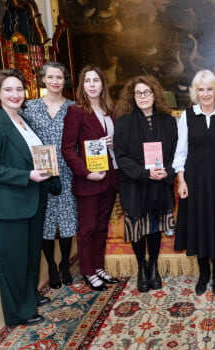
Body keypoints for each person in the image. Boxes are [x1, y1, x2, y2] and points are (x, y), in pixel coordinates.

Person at [0, 68, 61, 327]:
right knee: (13, 261)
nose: (15, 94)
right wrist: (27, 176)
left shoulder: (25, 121)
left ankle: (29, 296)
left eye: (19, 89)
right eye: (8, 90)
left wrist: (49, 176)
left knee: (31, 255)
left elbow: (36, 155)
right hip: (9, 206)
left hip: (32, 201)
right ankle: (18, 313)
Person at [173, 69, 215, 296]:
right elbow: (180, 152)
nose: (205, 94)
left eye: (209, 89)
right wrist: (181, 181)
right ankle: (204, 274)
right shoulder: (187, 115)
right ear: (195, 92)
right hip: (194, 181)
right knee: (199, 225)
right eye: (201, 90)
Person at [113, 75, 178, 293]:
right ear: (132, 96)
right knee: (137, 229)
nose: (143, 97)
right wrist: (144, 173)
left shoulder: (168, 121)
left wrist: (166, 171)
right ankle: (141, 266)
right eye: (138, 93)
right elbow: (121, 157)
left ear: (155, 94)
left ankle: (153, 266)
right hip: (135, 183)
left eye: (147, 92)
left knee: (155, 227)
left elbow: (177, 153)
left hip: (160, 183)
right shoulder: (123, 122)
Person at [62, 65, 120, 291]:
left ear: (103, 84)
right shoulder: (76, 111)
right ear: (82, 85)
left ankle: (98, 267)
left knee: (102, 227)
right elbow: (67, 149)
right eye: (88, 81)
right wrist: (86, 172)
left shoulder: (111, 110)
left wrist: (114, 144)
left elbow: (117, 143)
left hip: (110, 177)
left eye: (96, 80)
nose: (93, 85)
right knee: (88, 228)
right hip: (89, 180)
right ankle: (87, 270)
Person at [23, 62, 77, 289]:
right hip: (42, 172)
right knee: (45, 223)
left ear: (65, 80)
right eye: (51, 77)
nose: (55, 81)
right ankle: (51, 266)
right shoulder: (29, 108)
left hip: (67, 171)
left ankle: (65, 263)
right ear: (43, 79)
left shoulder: (74, 108)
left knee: (66, 221)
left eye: (60, 77)